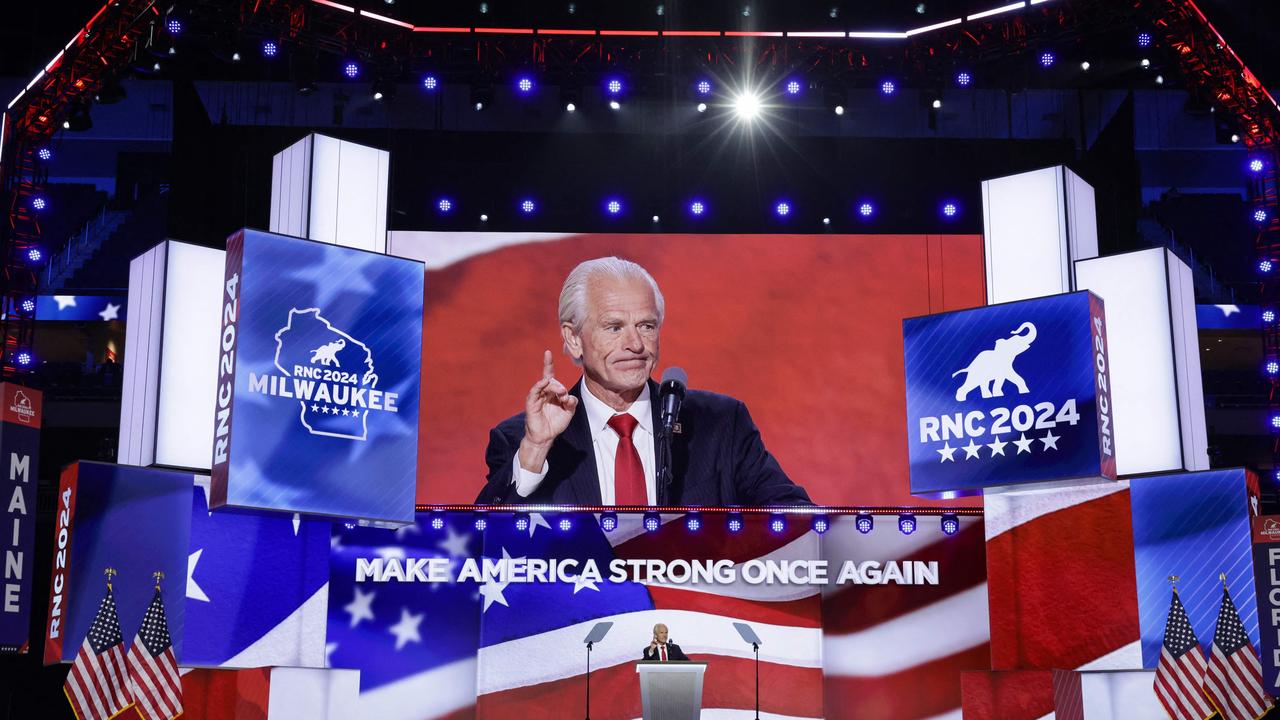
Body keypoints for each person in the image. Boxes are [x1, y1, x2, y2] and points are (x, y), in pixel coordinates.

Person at [476, 256, 811, 506]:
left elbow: (797, 519)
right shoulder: (521, 439)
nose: (635, 344)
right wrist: (535, 450)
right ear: (574, 338)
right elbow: (484, 541)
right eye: (614, 327)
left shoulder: (719, 424)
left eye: (647, 326)